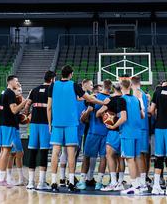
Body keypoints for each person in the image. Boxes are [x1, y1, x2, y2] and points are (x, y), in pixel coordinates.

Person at [47, 64, 103, 192]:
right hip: (71, 124)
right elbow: (88, 98)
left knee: (55, 153)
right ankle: (71, 183)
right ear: (71, 74)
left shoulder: (53, 85)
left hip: (57, 123)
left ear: (61, 74)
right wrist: (102, 102)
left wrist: (50, 123)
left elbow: (49, 107)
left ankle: (55, 182)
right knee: (71, 154)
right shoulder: (74, 85)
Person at [105, 78, 148, 195]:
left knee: (130, 159)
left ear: (121, 86)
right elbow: (143, 115)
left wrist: (113, 126)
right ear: (129, 86)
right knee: (138, 157)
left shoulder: (121, 100)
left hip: (127, 133)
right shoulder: (136, 99)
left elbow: (123, 118)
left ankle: (134, 186)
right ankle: (141, 184)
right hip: (138, 132)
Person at [0, 75, 30, 187]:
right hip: (8, 124)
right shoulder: (10, 93)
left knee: (2, 151)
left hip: (1, 124)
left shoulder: (3, 92)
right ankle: (2, 180)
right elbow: (14, 110)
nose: (17, 82)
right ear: (11, 82)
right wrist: (25, 102)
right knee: (7, 151)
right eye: (16, 81)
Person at [26, 70, 55, 190]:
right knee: (43, 152)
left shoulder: (34, 89)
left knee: (33, 152)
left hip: (33, 124)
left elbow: (27, 105)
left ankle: (31, 182)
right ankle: (41, 182)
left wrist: (27, 114)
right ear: (53, 79)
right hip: (45, 124)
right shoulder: (52, 90)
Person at [78, 81, 110, 190]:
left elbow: (83, 119)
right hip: (106, 133)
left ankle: (82, 181)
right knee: (103, 158)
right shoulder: (112, 99)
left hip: (93, 132)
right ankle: (99, 182)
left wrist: (86, 113)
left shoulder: (94, 97)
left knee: (86, 157)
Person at [96, 82, 125, 191]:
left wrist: (105, 115)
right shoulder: (125, 99)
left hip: (113, 132)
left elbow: (98, 113)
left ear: (113, 89)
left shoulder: (110, 100)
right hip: (124, 131)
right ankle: (120, 182)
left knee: (110, 156)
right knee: (121, 158)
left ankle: (113, 182)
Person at [130, 76, 151, 184]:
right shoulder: (142, 93)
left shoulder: (137, 93)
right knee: (141, 155)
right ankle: (142, 179)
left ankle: (142, 181)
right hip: (143, 127)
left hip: (140, 127)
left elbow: (137, 112)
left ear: (131, 83)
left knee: (140, 155)